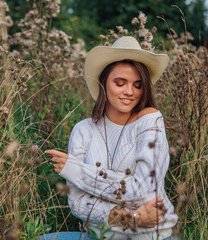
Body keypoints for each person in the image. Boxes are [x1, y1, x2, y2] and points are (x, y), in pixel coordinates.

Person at [44, 36, 178, 240]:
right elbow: (77, 203)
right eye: (120, 83)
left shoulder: (150, 121)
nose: (129, 92)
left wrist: (77, 171)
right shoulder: (83, 130)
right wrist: (131, 217)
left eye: (137, 85)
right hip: (99, 236)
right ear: (103, 83)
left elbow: (143, 191)